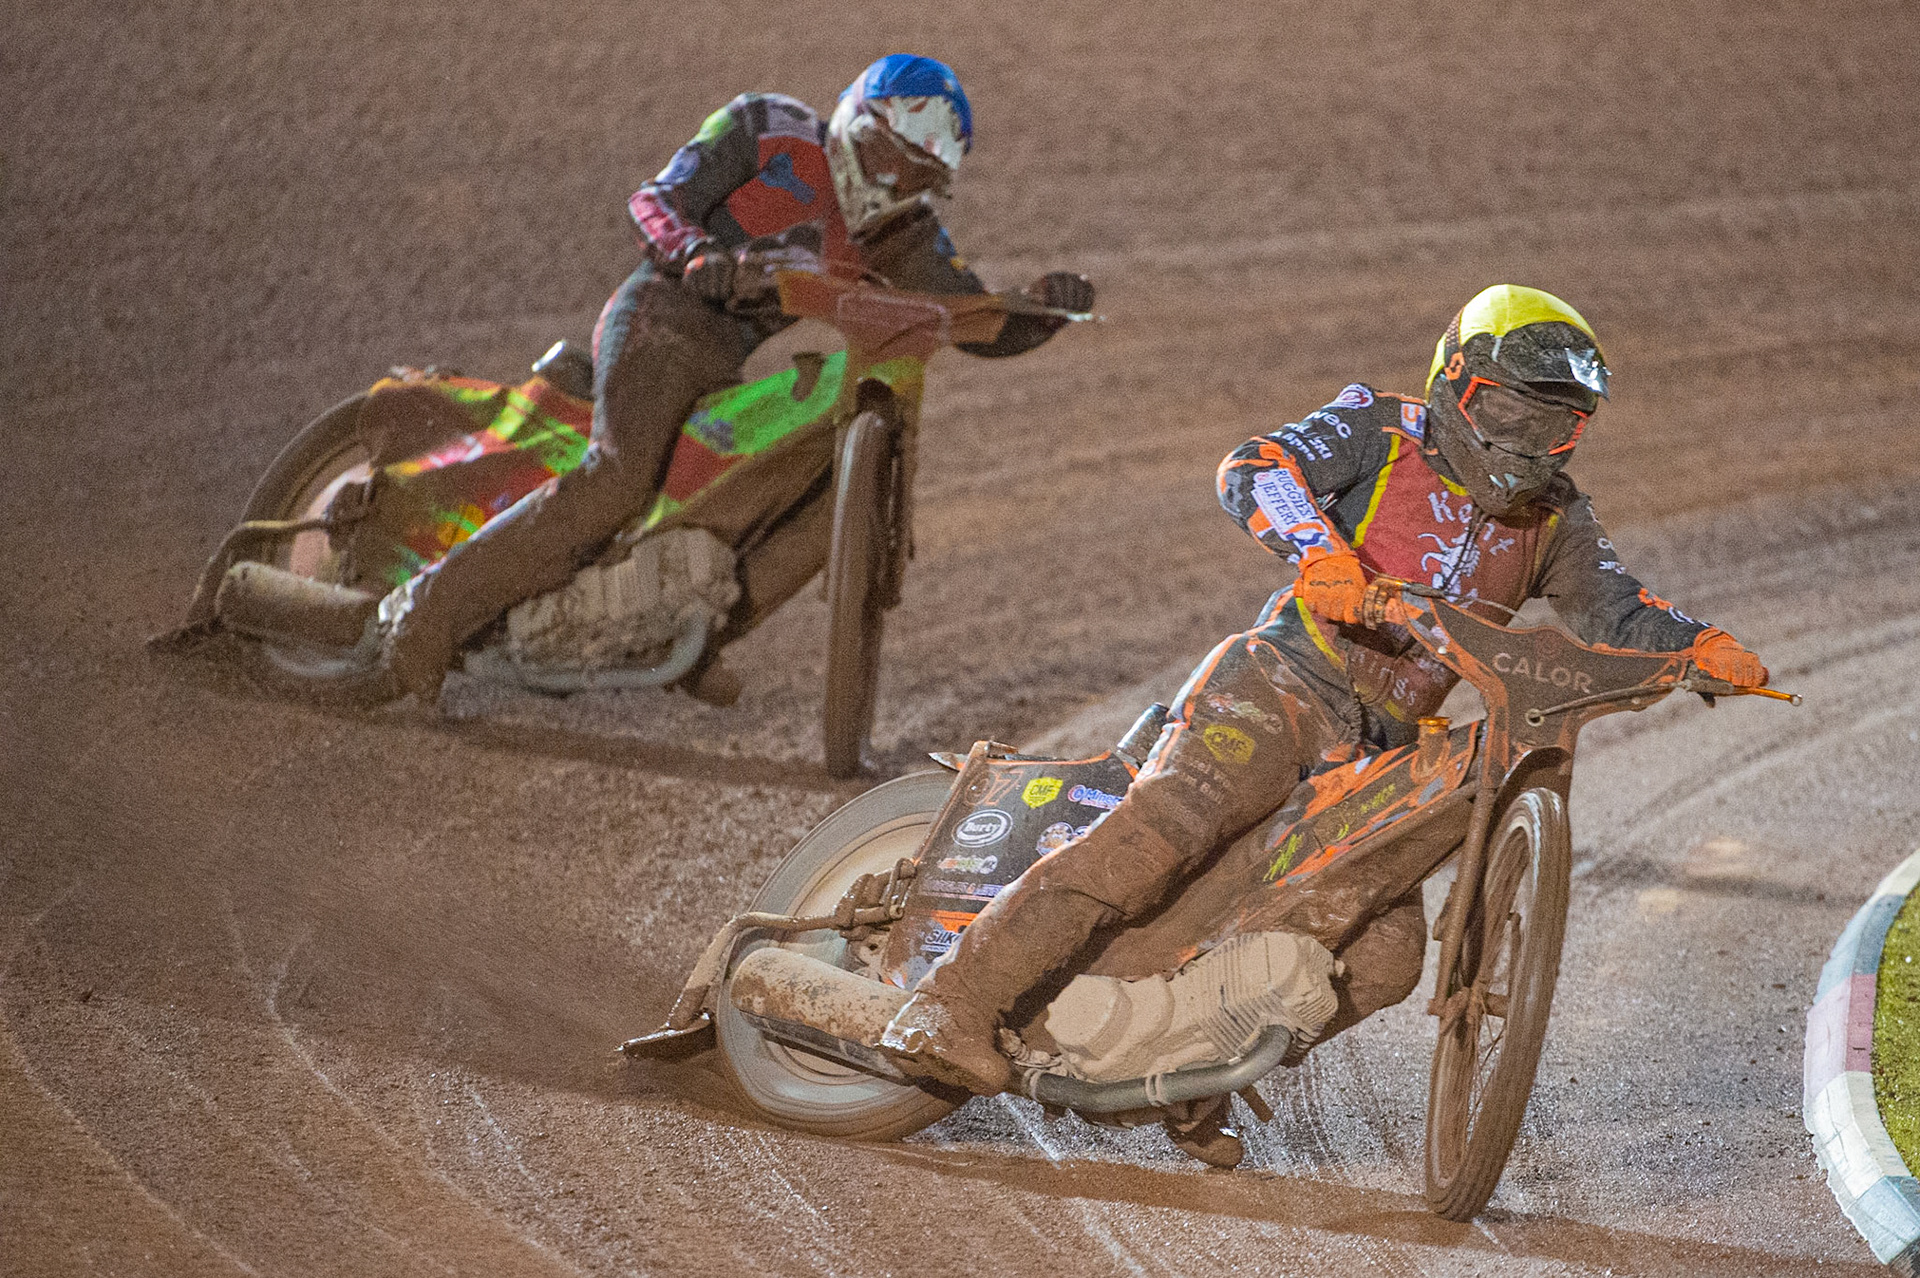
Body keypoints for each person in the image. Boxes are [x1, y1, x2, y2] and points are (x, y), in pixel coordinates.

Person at [879, 284, 1769, 1165]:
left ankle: (1185, 1071)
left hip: (1383, 749)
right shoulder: (1382, 428)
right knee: (1161, 834)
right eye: (1509, 412)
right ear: (1454, 383)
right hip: (1281, 682)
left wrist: (1702, 646)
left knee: (1386, 959)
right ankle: (950, 1003)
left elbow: (1618, 609)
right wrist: (1320, 553)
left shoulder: (1557, 519)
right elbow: (1254, 466)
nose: (1525, 441)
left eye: (1553, 425)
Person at [375, 55, 1094, 701]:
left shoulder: (904, 233)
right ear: (854, 121)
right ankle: (426, 614)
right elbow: (655, 200)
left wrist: (1044, 310)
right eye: (883, 156)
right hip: (662, 316)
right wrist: (696, 253)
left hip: (727, 364)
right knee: (618, 478)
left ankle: (690, 635)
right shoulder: (768, 125)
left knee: (814, 493)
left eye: (915, 177)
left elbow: (970, 318)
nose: (889, 183)